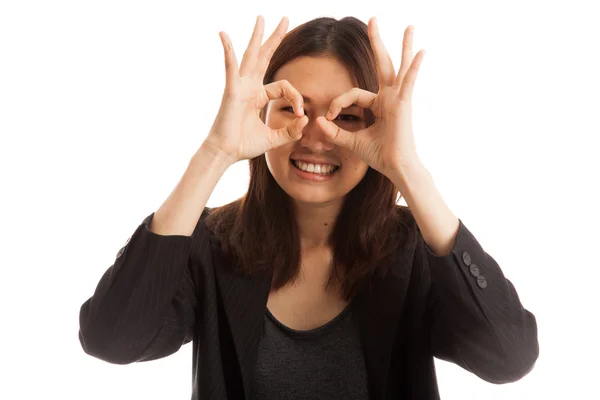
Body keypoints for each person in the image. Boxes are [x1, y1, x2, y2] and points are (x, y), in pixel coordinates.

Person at [78, 15, 539, 400]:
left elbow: (509, 358)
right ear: (262, 115)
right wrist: (215, 152)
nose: (316, 135)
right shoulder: (210, 245)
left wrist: (408, 170)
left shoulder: (415, 250)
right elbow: (111, 340)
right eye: (293, 108)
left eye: (347, 117)